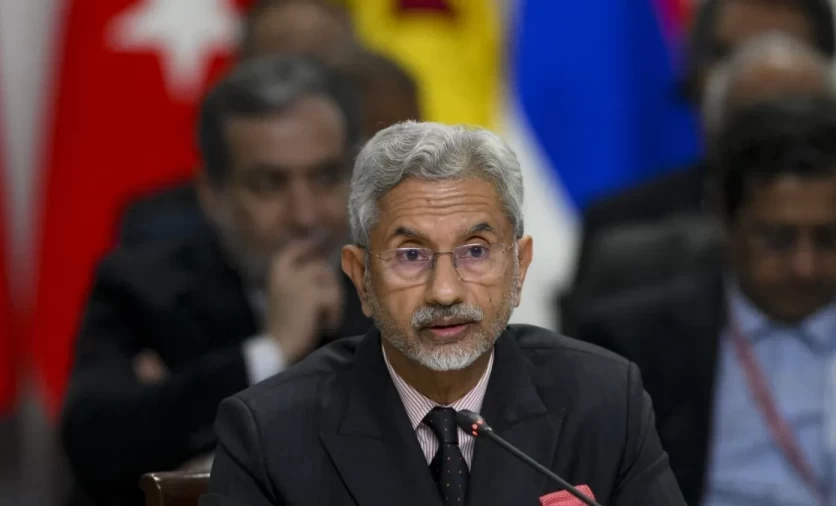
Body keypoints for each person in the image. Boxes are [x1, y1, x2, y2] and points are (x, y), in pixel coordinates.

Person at [200, 121, 686, 506]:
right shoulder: (269, 432)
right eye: (411, 255)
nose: (446, 291)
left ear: (519, 268)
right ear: (361, 277)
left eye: (475, 251)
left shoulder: (604, 401)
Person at [61, 56, 373, 506]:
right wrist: (271, 351)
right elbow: (96, 451)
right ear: (211, 193)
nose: (305, 215)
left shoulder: (395, 289)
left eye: (325, 177)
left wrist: (172, 401)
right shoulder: (140, 290)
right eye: (269, 184)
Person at [573, 94, 836, 505]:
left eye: (830, 238)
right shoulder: (630, 347)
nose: (806, 266)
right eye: (778, 239)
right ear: (724, 221)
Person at [573, 0, 836, 279]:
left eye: (779, 51)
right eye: (731, 56)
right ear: (694, 75)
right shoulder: (619, 232)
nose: (756, 74)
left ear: (829, 71)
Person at [117, 0, 421, 249]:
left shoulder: (412, 221)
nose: (304, 216)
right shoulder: (163, 235)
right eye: (280, 73)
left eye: (320, 73)